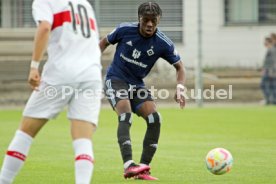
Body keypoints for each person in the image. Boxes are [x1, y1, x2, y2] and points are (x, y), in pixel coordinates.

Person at [0, 0, 102, 183]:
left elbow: (45, 27)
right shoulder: (84, 4)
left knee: (25, 132)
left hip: (61, 73)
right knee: (83, 140)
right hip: (91, 74)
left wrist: (34, 66)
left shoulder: (44, 1)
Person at [99, 1, 186, 180]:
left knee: (155, 118)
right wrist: (91, 64)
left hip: (136, 84)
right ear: (139, 19)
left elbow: (180, 67)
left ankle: (143, 168)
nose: (149, 24)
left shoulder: (163, 42)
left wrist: (180, 87)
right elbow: (102, 43)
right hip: (116, 79)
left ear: (158, 20)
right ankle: (129, 165)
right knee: (126, 115)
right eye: (146, 20)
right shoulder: (124, 30)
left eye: (153, 20)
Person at [260, 36, 276, 105]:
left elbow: (273, 61)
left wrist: (272, 71)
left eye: (265, 41)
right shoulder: (270, 49)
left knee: (266, 85)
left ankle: (269, 100)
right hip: (268, 70)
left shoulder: (272, 50)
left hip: (270, 71)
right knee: (269, 85)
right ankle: (270, 99)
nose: (264, 43)